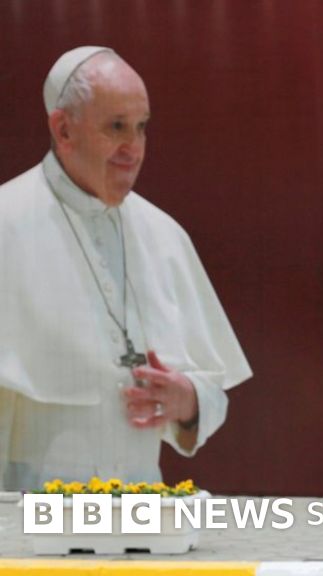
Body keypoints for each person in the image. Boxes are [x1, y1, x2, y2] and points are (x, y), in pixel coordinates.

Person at [0, 46, 252, 491]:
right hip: (26, 518)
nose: (132, 149)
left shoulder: (163, 234)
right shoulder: (7, 223)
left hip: (140, 513)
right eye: (116, 127)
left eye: (141, 128)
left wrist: (187, 401)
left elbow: (212, 388)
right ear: (63, 129)